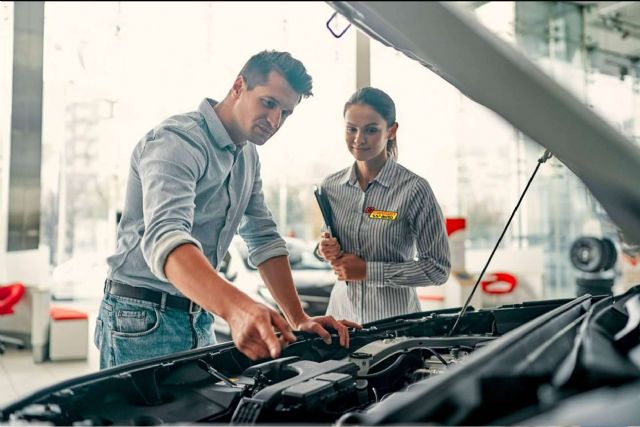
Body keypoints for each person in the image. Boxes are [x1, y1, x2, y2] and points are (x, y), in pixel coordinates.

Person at [95, 50, 360, 369]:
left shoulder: (248, 156)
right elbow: (166, 238)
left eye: (285, 113)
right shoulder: (177, 142)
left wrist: (298, 317)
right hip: (140, 317)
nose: (275, 121)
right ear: (238, 86)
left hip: (200, 313)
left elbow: (263, 238)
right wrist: (237, 308)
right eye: (269, 103)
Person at [316, 87, 451, 324]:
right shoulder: (330, 187)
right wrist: (323, 250)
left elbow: (437, 269)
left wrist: (368, 271)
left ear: (391, 130)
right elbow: (325, 247)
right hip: (341, 321)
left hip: (396, 329)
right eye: (351, 129)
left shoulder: (414, 189)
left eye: (371, 130)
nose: (359, 139)